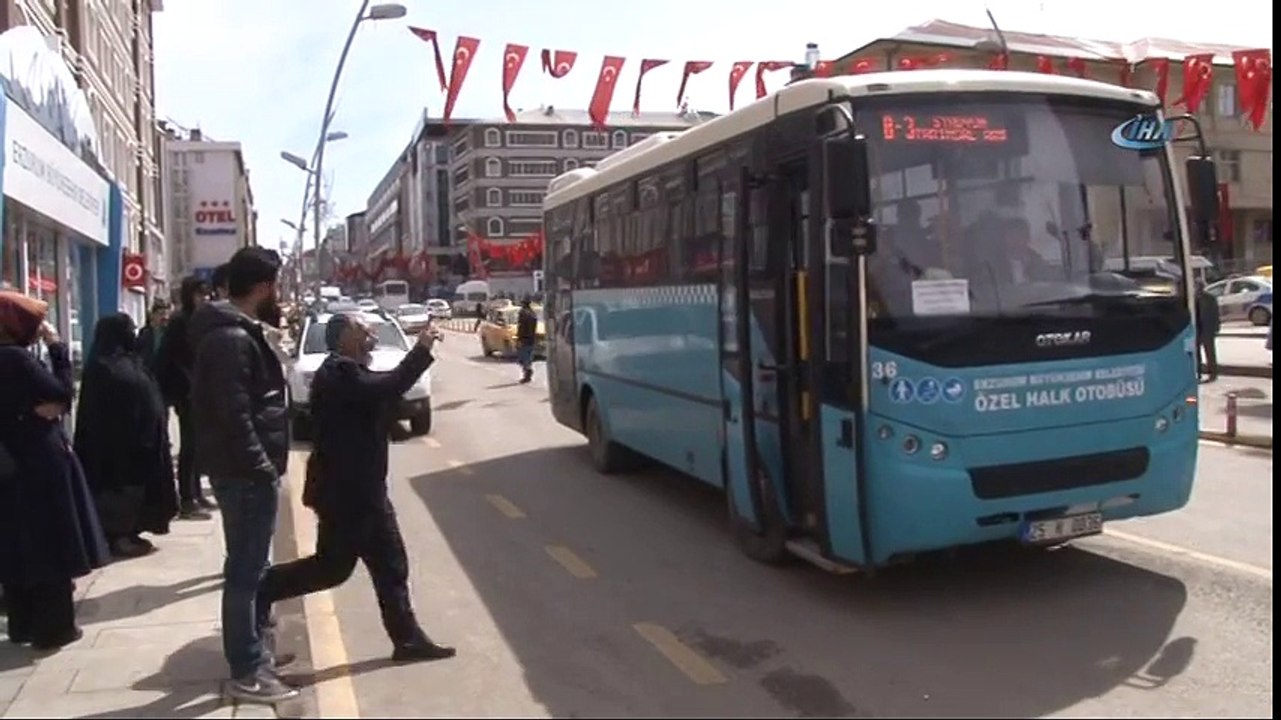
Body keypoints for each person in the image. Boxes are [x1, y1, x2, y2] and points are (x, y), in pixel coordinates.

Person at [258, 313, 455, 664]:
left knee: (375, 565)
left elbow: (376, 398)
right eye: (363, 331)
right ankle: (263, 589)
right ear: (343, 338)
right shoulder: (338, 373)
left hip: (356, 491)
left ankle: (407, 639)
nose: (371, 336)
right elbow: (386, 387)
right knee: (341, 567)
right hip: (350, 494)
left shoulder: (350, 372)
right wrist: (422, 349)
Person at [189, 248, 296, 703]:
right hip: (245, 474)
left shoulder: (235, 332)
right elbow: (233, 415)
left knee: (253, 568)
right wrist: (261, 466)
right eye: (277, 285)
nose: (280, 293)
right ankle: (248, 670)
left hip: (245, 471)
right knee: (245, 573)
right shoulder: (230, 338)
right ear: (264, 287)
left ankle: (255, 653)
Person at [0, 291, 111, 650]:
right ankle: (54, 627)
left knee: (18, 545)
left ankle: (24, 624)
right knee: (51, 542)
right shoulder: (15, 359)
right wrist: (58, 350)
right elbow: (62, 392)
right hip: (37, 461)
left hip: (11, 463)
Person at [73, 313, 180, 559]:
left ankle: (131, 531)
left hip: (140, 440)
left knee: (138, 489)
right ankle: (117, 536)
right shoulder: (103, 366)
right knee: (120, 491)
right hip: (116, 446)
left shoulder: (129, 360)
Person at [157, 277, 216, 518]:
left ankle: (196, 493)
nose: (204, 299)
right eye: (199, 294)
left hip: (198, 388)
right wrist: (191, 385)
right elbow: (175, 359)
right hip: (184, 391)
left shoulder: (199, 319)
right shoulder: (180, 321)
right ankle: (187, 498)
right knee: (189, 445)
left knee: (198, 444)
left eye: (206, 294)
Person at [1195, 281, 1221, 382]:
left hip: (1208, 328)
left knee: (1210, 352)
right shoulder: (1194, 298)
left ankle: (1213, 373)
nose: (1198, 288)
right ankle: (1198, 372)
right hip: (1197, 328)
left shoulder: (1210, 298)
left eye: (1199, 286)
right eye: (1197, 286)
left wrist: (1216, 327)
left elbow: (1216, 313)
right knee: (1196, 353)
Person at [136, 301, 171, 373]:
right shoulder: (144, 332)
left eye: (167, 314)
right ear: (153, 315)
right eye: (161, 314)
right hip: (147, 371)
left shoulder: (169, 333)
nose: (165, 317)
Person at [516, 298, 538, 384]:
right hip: (531, 338)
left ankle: (527, 371)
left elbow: (521, 327)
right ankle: (528, 371)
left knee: (522, 357)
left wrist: (519, 338)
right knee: (528, 356)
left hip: (524, 339)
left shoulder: (523, 313)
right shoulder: (533, 313)